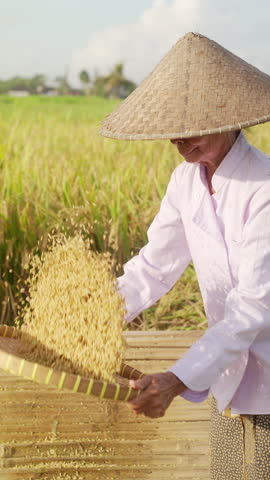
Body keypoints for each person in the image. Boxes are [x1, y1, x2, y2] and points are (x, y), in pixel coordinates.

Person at [100, 32, 270, 479]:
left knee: (264, 469)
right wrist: (98, 313)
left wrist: (176, 379)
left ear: (230, 117)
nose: (178, 139)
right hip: (225, 371)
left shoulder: (264, 188)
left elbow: (253, 306)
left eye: (191, 125)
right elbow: (155, 265)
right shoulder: (185, 181)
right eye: (172, 128)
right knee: (229, 472)